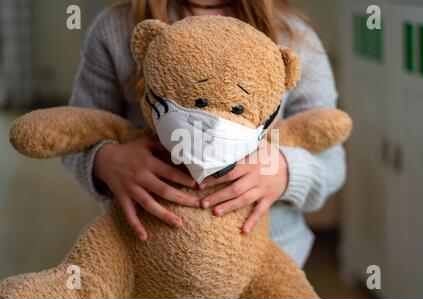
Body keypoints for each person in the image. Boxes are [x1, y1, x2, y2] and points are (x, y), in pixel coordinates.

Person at [63, 0, 346, 267]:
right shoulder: (115, 28)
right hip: (147, 260)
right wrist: (106, 162)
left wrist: (285, 172)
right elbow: (74, 132)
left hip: (271, 257)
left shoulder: (295, 35)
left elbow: (331, 158)